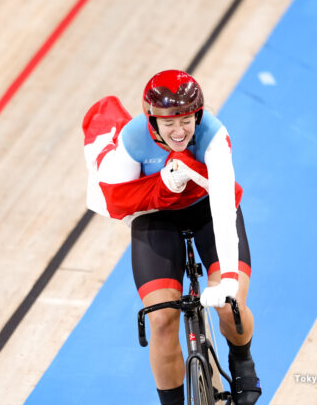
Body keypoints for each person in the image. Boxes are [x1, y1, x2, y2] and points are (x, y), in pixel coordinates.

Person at [82, 70, 261, 405]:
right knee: (162, 319)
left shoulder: (214, 136)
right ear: (152, 122)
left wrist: (229, 282)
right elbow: (119, 204)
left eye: (187, 121)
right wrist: (160, 190)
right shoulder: (132, 140)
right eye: (169, 124)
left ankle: (242, 358)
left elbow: (224, 208)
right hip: (156, 217)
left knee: (229, 306)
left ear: (198, 115)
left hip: (207, 208)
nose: (179, 132)